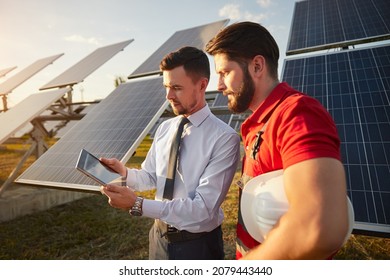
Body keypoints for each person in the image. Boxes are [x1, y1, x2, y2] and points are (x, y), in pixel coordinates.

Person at [205, 21, 349, 260]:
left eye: (224, 73)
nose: (218, 86)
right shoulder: (257, 124)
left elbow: (320, 228)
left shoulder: (297, 114)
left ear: (257, 66)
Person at [100, 46, 241, 260]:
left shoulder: (224, 138)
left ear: (202, 85)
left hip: (197, 246)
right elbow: (151, 176)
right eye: (166, 86)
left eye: (176, 87)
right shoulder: (166, 128)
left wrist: (138, 204)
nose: (168, 95)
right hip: (158, 237)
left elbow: (202, 209)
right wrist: (125, 174)